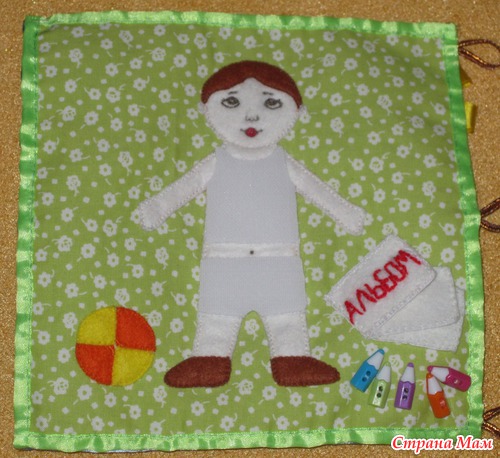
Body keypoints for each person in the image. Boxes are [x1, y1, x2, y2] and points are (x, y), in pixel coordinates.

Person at [138, 60, 366, 388]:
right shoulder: (216, 162)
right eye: (232, 101)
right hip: (224, 261)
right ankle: (208, 358)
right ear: (208, 109)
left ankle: (293, 358)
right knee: (217, 315)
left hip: (278, 261)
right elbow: (184, 188)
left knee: (286, 314)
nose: (251, 116)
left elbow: (315, 189)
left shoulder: (283, 163)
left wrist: (347, 214)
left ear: (296, 111)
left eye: (271, 103)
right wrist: (157, 208)